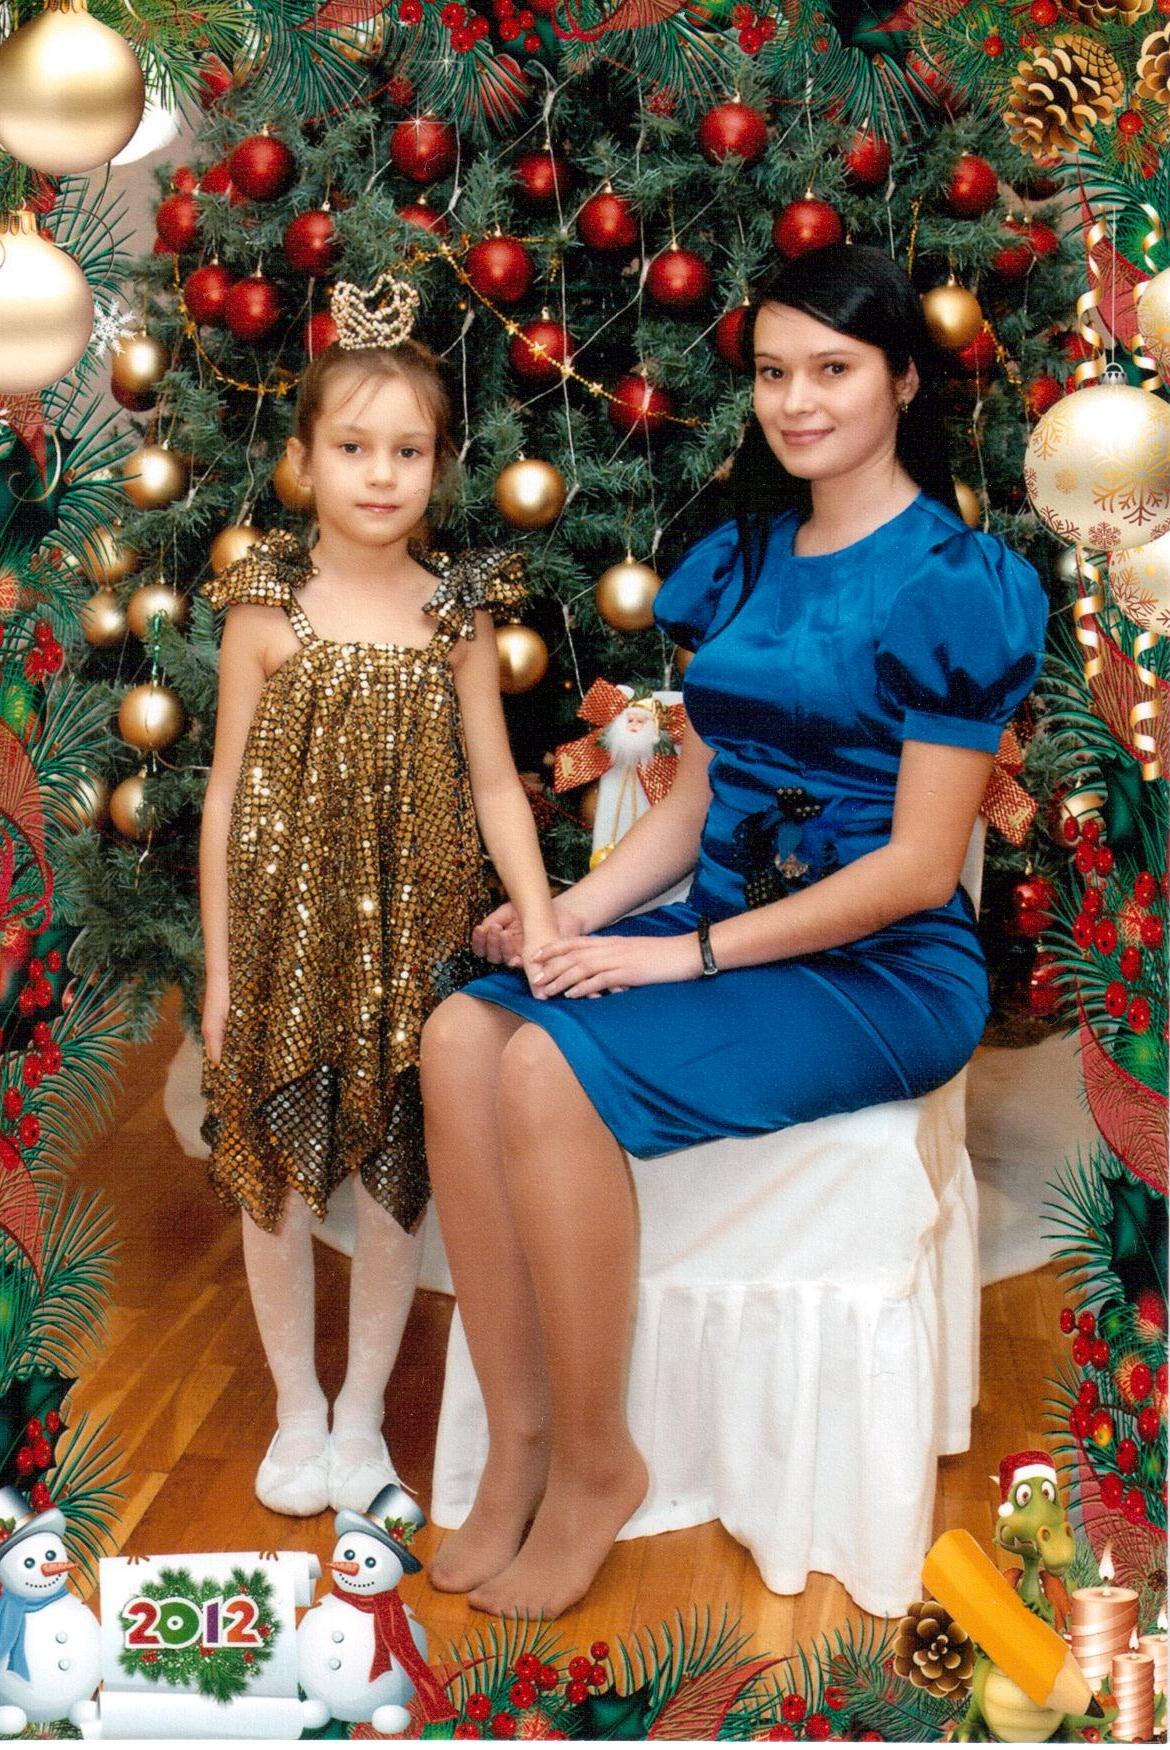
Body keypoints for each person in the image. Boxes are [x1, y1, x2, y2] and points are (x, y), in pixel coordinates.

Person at [419, 243, 1048, 1617]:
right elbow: (697, 798)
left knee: (546, 1069)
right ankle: (520, 1440)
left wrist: (677, 955)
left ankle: (599, 1464)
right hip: (721, 921)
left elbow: (916, 871)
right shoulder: (741, 558)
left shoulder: (959, 582)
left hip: (881, 970)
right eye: (772, 372)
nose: (795, 401)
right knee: (461, 1036)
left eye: (832, 369)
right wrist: (571, 914)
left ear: (903, 379)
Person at [199, 273, 558, 1517]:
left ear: (439, 467)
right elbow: (224, 798)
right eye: (353, 447)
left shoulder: (456, 612)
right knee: (277, 1169)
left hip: (414, 937)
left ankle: (361, 1413)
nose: (380, 473)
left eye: (408, 450)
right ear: (304, 461)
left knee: (397, 1173)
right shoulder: (264, 607)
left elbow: (497, 784)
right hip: (283, 940)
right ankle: (296, 1402)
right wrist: (223, 972)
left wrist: (541, 919)